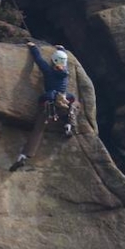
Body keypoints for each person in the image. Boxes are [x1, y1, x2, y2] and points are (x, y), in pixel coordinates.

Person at [10, 42, 77, 171]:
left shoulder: (48, 71)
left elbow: (39, 60)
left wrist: (33, 48)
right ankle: (68, 124)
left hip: (49, 104)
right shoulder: (66, 73)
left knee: (38, 130)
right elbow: (64, 62)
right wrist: (62, 48)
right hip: (63, 102)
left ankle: (23, 156)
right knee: (74, 104)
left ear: (53, 61)